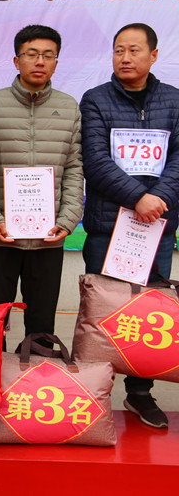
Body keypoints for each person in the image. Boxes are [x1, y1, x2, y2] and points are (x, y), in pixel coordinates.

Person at [81, 23, 179, 429]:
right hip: (108, 226)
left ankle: (140, 393)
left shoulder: (174, 101)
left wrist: (158, 200)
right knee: (102, 315)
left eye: (134, 50)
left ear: (153, 55)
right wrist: (138, 197)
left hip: (157, 227)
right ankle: (94, 392)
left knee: (148, 314)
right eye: (119, 50)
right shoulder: (96, 99)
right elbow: (95, 160)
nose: (125, 57)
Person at [0, 25, 83, 343]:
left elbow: (74, 168)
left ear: (56, 62)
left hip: (48, 237)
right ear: (17, 61)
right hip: (0, 235)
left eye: (48, 55)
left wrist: (67, 219)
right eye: (31, 54)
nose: (40, 61)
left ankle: (37, 372)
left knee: (42, 327)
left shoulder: (69, 107)